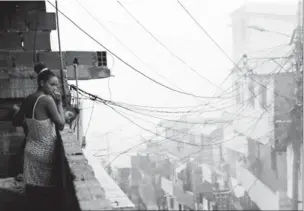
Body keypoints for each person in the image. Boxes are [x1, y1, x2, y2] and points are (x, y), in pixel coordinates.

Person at [12, 63, 65, 211]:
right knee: (48, 195)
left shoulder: (30, 98)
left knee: (34, 192)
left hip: (31, 151)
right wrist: (59, 103)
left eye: (57, 85)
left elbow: (16, 121)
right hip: (46, 152)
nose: (55, 88)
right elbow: (61, 125)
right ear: (42, 83)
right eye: (52, 84)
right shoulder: (47, 100)